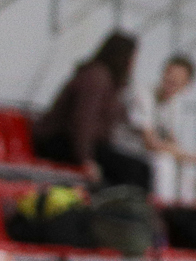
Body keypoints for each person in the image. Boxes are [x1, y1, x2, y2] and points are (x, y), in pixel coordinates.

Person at [32, 32, 149, 189]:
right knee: (131, 170)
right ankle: (117, 209)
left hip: (82, 142)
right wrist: (85, 159)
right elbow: (83, 121)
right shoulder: (96, 78)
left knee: (140, 168)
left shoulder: (110, 82)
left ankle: (125, 208)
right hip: (62, 141)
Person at [129, 55, 196, 202]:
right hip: (130, 151)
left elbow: (172, 142)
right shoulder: (144, 95)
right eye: (168, 79)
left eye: (176, 83)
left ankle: (184, 211)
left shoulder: (175, 103)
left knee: (186, 168)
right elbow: (150, 143)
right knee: (164, 163)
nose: (170, 85)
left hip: (149, 152)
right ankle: (164, 209)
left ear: (186, 85)